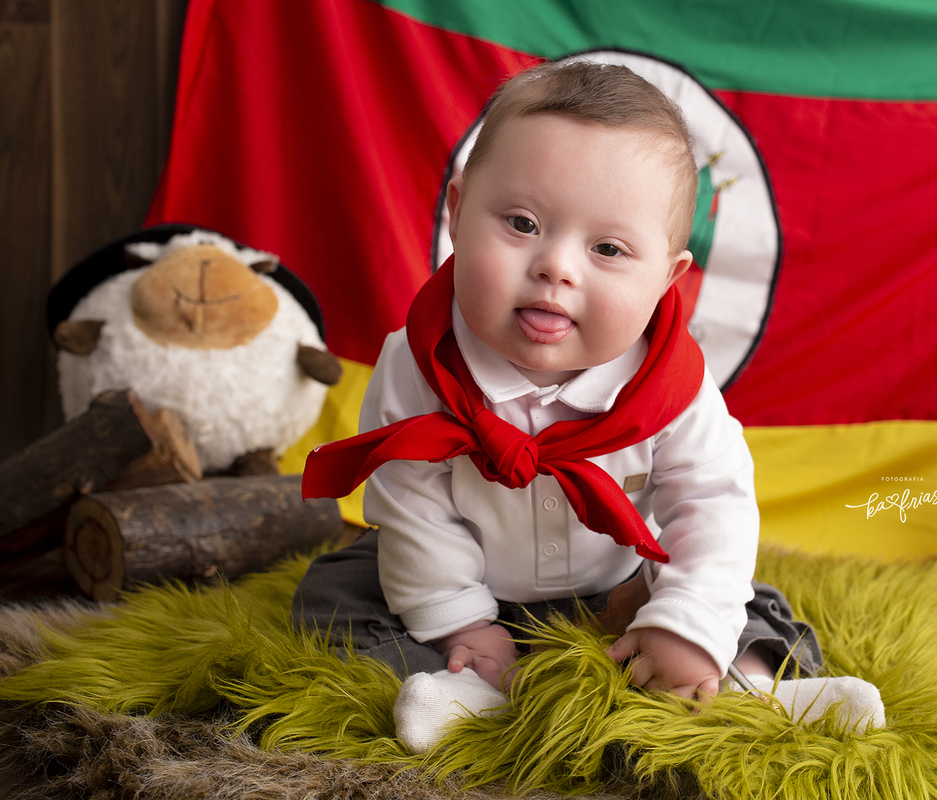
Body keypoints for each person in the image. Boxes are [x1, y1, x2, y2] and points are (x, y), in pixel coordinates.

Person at [295, 59, 885, 752]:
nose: (557, 266)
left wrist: (685, 623)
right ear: (456, 214)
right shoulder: (420, 361)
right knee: (335, 596)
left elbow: (712, 503)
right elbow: (413, 502)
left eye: (608, 248)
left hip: (621, 590)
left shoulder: (671, 387)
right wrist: (460, 620)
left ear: (667, 279)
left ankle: (748, 687)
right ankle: (471, 691)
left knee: (741, 601)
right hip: (477, 579)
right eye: (521, 223)